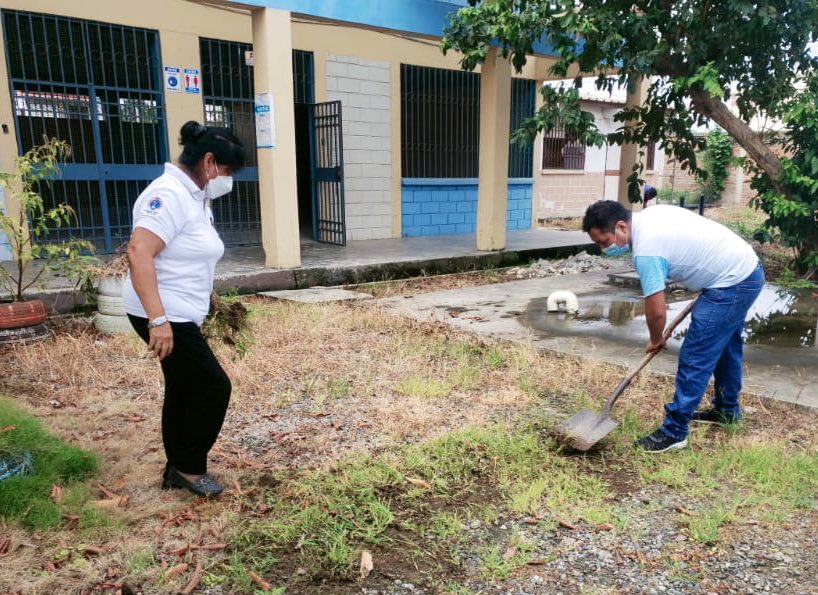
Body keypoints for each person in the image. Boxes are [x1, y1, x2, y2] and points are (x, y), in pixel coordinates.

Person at [582, 200, 764, 453]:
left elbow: (656, 312)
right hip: (746, 269)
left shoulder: (646, 251)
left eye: (604, 241)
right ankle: (727, 411)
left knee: (695, 355)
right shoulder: (649, 216)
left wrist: (656, 338)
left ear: (621, 226)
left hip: (732, 280)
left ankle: (674, 431)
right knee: (725, 346)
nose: (604, 249)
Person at [123, 121, 245, 495]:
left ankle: (177, 466)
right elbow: (138, 251)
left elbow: (186, 254)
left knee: (182, 385)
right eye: (227, 171)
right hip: (163, 312)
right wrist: (158, 321)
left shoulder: (194, 196)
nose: (228, 179)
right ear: (209, 162)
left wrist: (203, 294)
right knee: (213, 386)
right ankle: (189, 468)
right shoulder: (168, 194)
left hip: (179, 310)